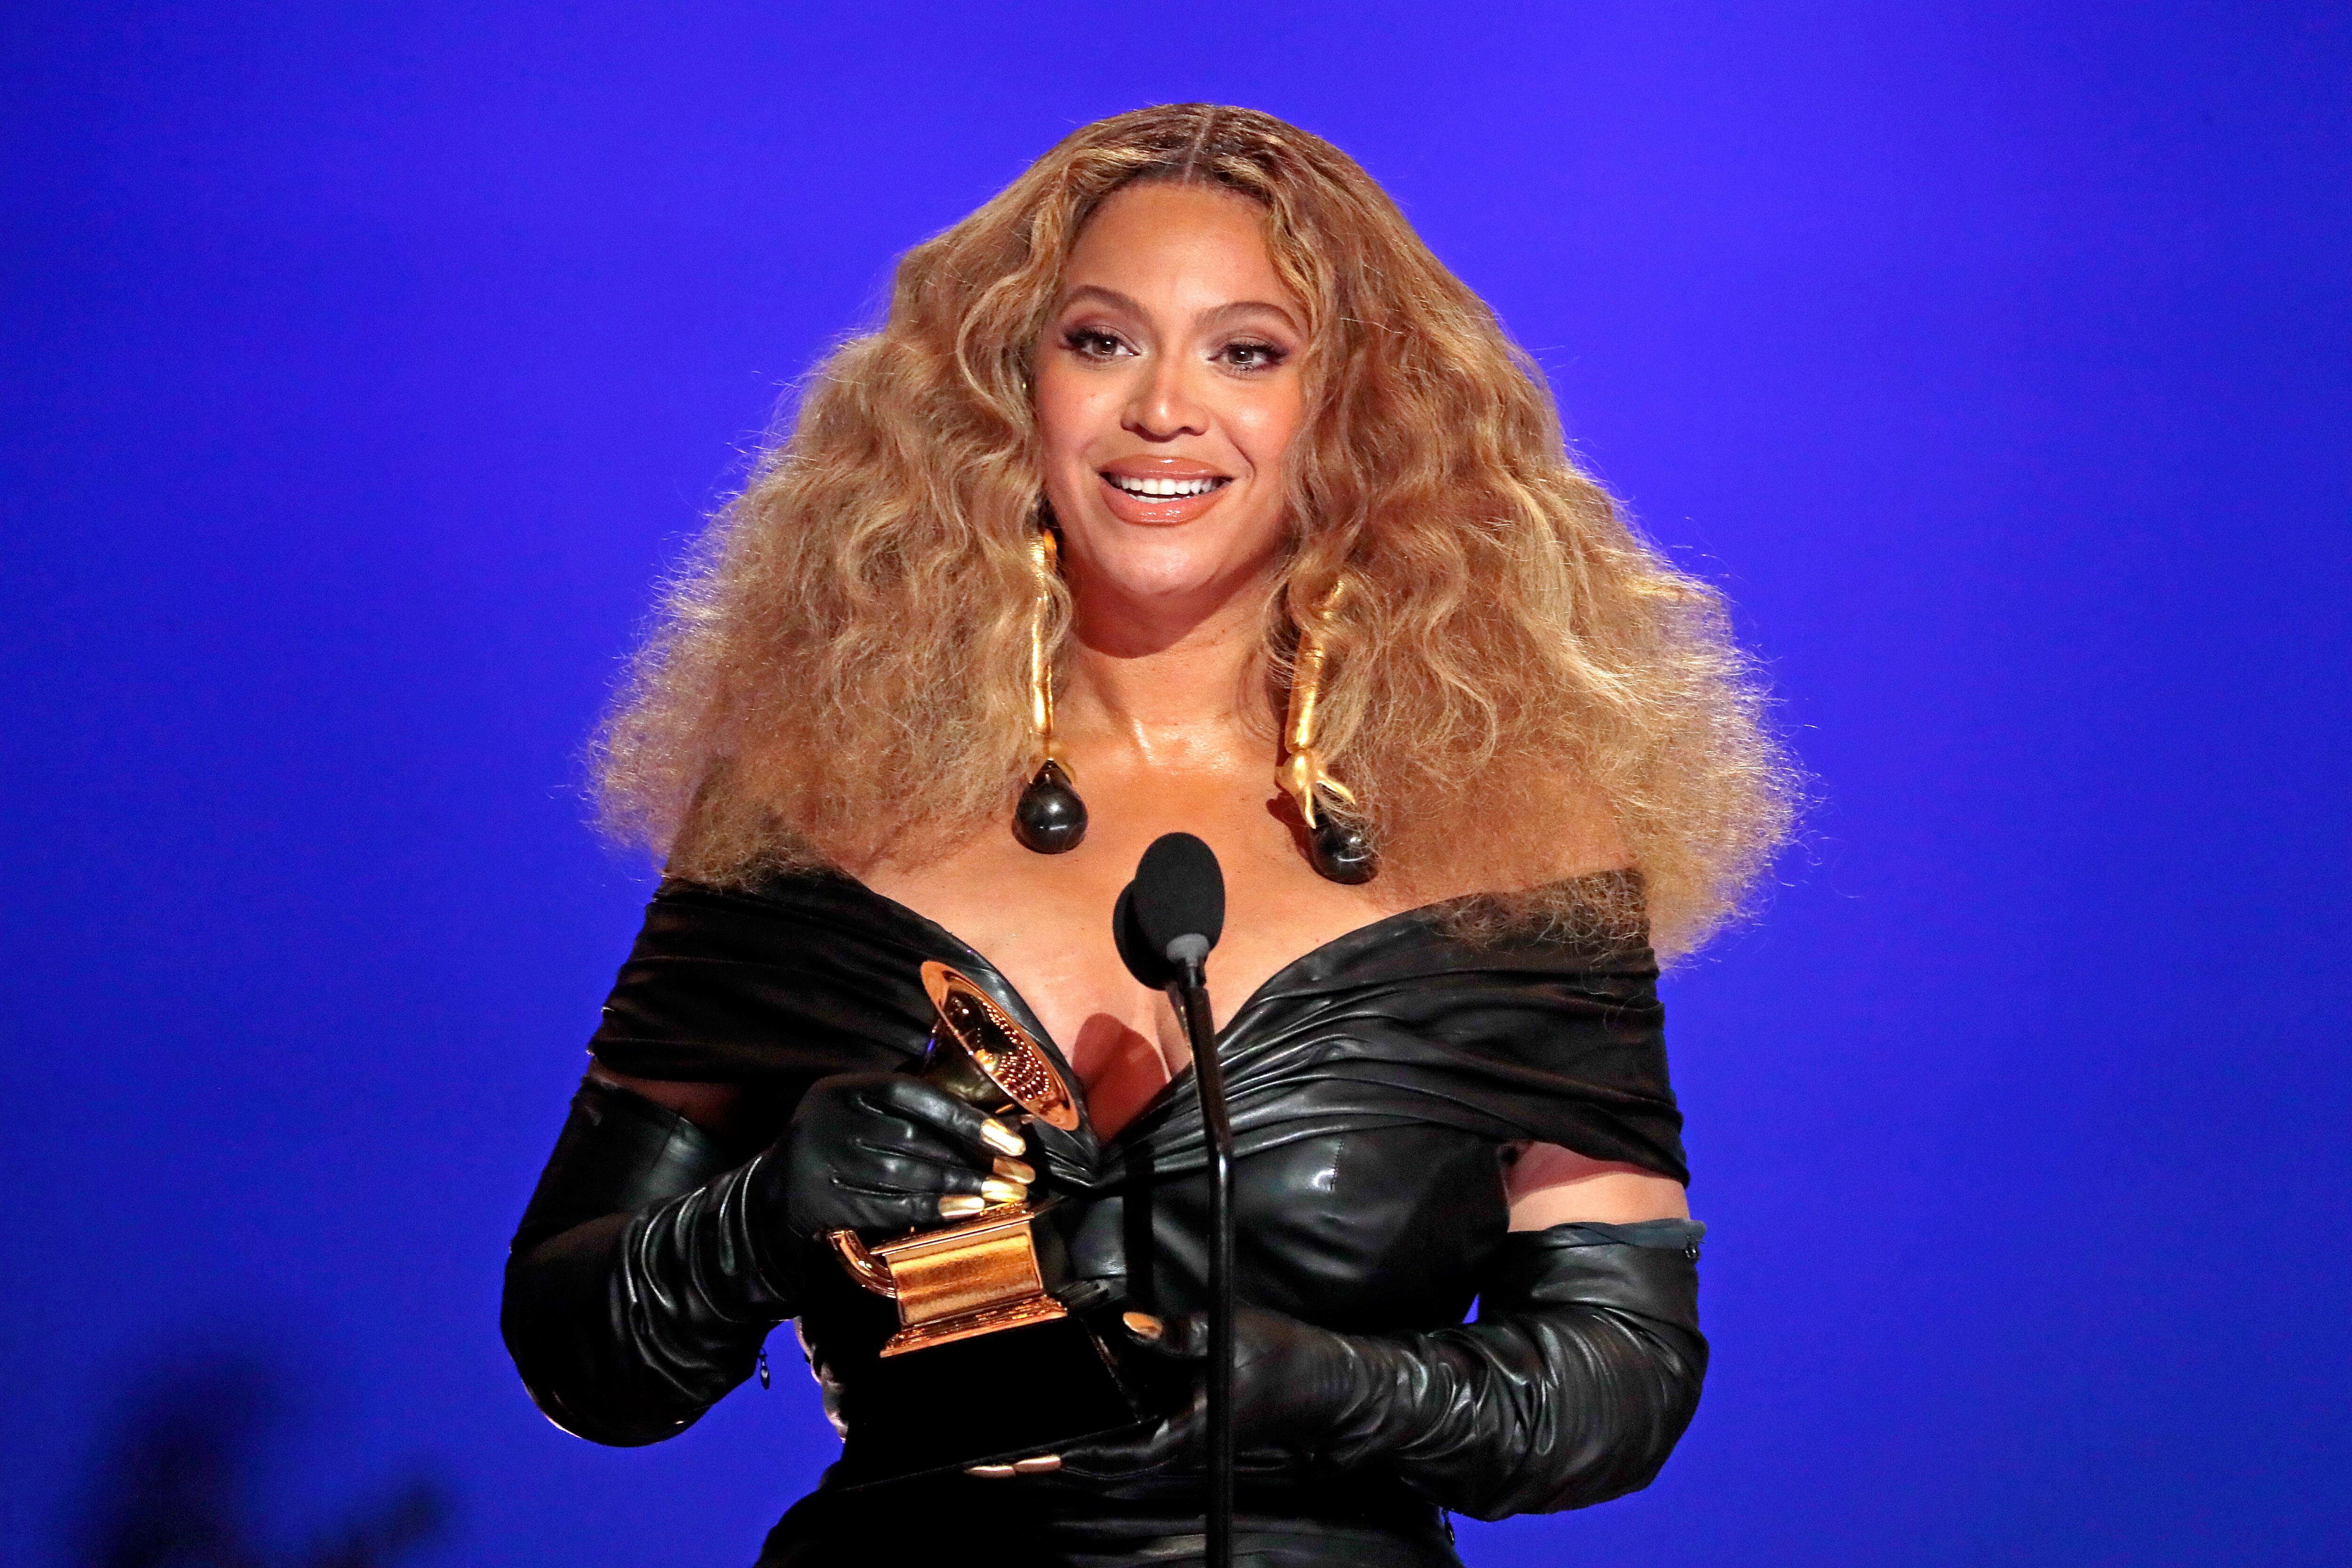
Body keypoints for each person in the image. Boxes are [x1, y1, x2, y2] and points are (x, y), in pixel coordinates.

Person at [501, 103, 1794, 1568]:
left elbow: (1619, 1381)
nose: (1162, 409)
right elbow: (577, 1352)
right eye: (1102, 341)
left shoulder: (1518, 847)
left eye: (1248, 351)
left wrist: (1315, 1381)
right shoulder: (812, 811)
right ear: (1008, 388)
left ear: (1354, 405)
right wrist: (751, 1226)